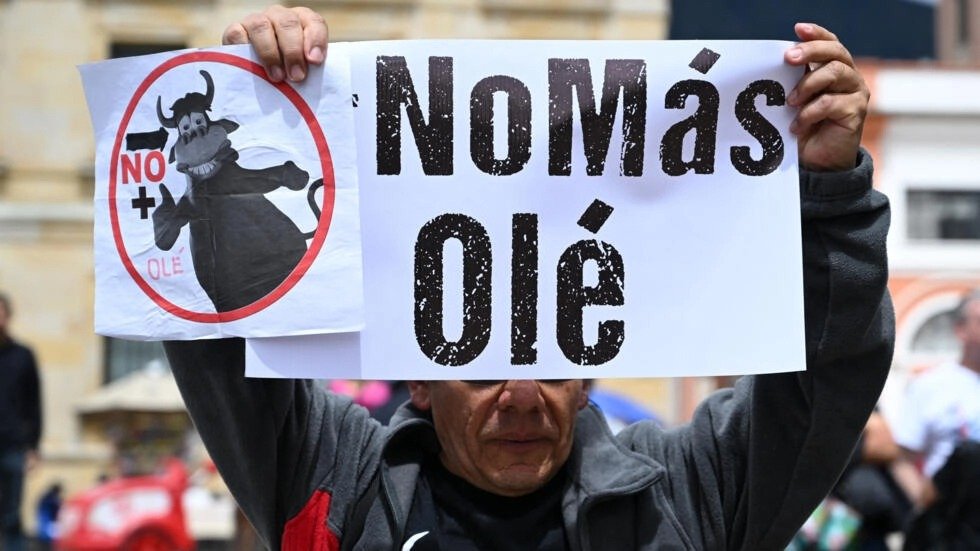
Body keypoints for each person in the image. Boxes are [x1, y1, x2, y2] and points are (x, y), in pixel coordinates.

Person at [165, 6, 894, 550]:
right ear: (419, 381)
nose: (520, 396)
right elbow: (218, 338)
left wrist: (832, 194)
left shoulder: (683, 497)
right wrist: (249, 100)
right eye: (481, 364)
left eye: (551, 361)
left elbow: (825, 383)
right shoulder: (337, 481)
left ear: (587, 376)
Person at [0, 292, 42, 551]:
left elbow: (34, 404)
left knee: (12, 514)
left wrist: (33, 447)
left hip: (13, 446)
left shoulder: (23, 356)